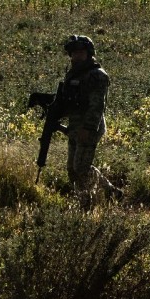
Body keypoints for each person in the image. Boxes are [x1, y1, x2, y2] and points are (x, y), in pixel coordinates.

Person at [51, 34, 116, 205]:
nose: (77, 55)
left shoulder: (96, 75)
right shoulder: (73, 74)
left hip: (90, 128)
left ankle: (87, 204)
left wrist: (87, 129)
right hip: (75, 125)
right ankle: (109, 191)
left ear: (89, 53)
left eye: (81, 52)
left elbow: (97, 106)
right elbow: (70, 101)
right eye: (74, 52)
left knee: (80, 169)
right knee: (73, 170)